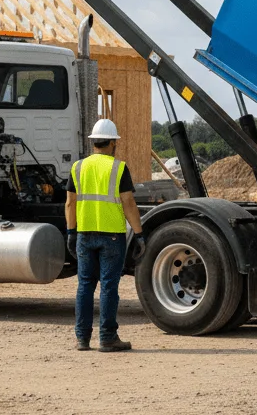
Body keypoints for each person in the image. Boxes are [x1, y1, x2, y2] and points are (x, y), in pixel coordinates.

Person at [65, 118, 147, 352]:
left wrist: (71, 232)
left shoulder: (78, 167)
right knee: (109, 287)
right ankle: (108, 338)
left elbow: (70, 202)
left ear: (94, 143)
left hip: (85, 234)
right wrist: (139, 234)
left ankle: (82, 339)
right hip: (111, 235)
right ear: (113, 143)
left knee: (85, 286)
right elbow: (128, 202)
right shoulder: (118, 168)